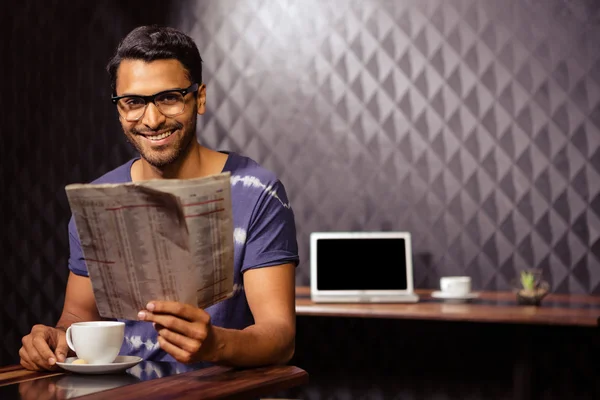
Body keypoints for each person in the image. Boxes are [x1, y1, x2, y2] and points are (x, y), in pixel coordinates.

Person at [19, 25, 299, 371]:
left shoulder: (257, 192)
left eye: (168, 97)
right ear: (120, 109)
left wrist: (214, 343)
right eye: (133, 102)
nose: (151, 120)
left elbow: (281, 337)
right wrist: (56, 337)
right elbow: (77, 316)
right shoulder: (99, 200)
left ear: (199, 98)